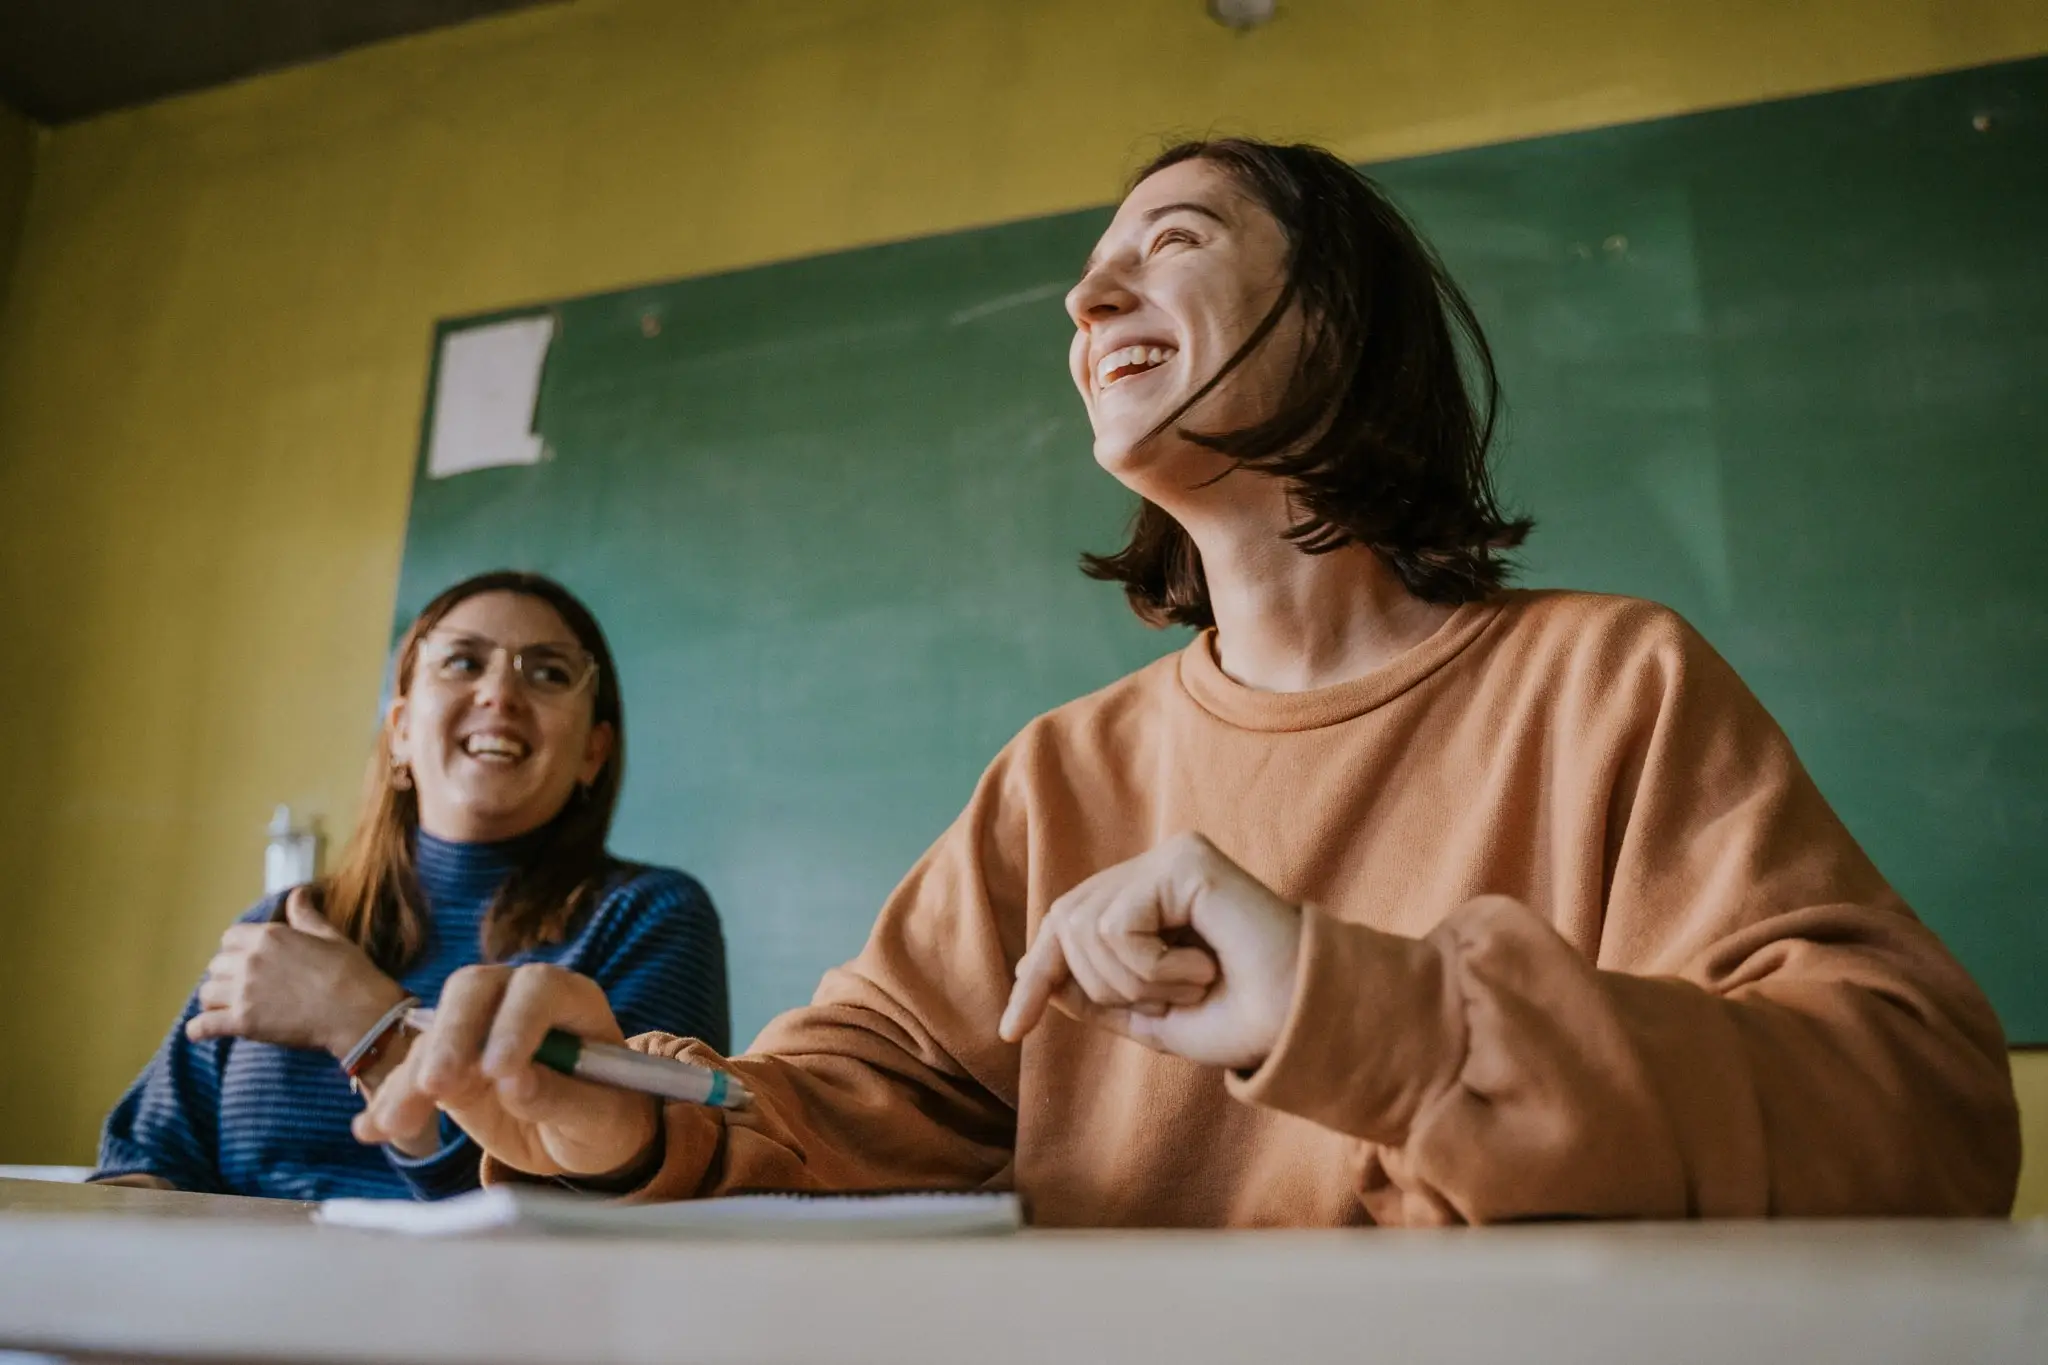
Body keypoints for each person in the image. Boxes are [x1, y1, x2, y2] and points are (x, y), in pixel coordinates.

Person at [356, 140, 2019, 1225]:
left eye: (1169, 241)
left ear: (1339, 317)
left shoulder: (1611, 686)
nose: (1086, 301)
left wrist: (1360, 1009)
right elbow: (834, 1101)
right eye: (1088, 277)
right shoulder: (1055, 777)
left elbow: (1930, 1121)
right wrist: (624, 1105)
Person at [95, 570, 729, 1200]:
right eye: (462, 661)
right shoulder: (284, 925)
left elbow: (613, 1197)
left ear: (594, 751)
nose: (500, 694)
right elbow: (147, 1160)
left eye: (548, 673)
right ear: (399, 730)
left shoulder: (651, 917)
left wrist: (368, 1023)